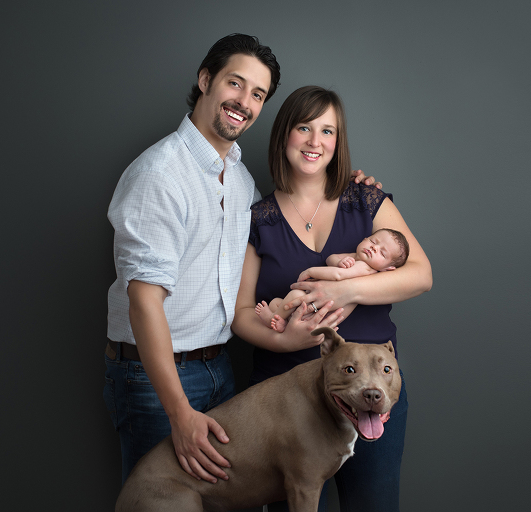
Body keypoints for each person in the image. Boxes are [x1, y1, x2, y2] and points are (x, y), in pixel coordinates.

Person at [103, 34, 378, 487]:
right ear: (206, 79)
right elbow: (144, 302)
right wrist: (178, 411)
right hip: (156, 380)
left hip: (221, 370)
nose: (244, 102)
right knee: (160, 498)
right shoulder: (160, 174)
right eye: (236, 83)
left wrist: (350, 181)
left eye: (258, 94)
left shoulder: (241, 179)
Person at [231, 86, 432, 511]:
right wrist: (286, 341)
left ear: (338, 142)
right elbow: (241, 314)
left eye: (328, 131)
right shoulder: (257, 218)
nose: (315, 142)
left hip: (371, 387)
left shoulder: (366, 200)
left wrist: (345, 290)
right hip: (288, 403)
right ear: (284, 134)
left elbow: (421, 274)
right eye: (304, 128)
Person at [255, 228, 409, 332]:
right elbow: (331, 259)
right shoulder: (354, 256)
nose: (374, 248)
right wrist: (337, 261)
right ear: (364, 239)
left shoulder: (365, 267)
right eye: (373, 242)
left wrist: (310, 271)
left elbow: (338, 275)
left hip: (324, 312)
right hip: (315, 306)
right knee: (276, 302)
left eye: (382, 253)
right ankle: (283, 322)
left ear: (387, 269)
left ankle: (274, 320)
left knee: (295, 296)